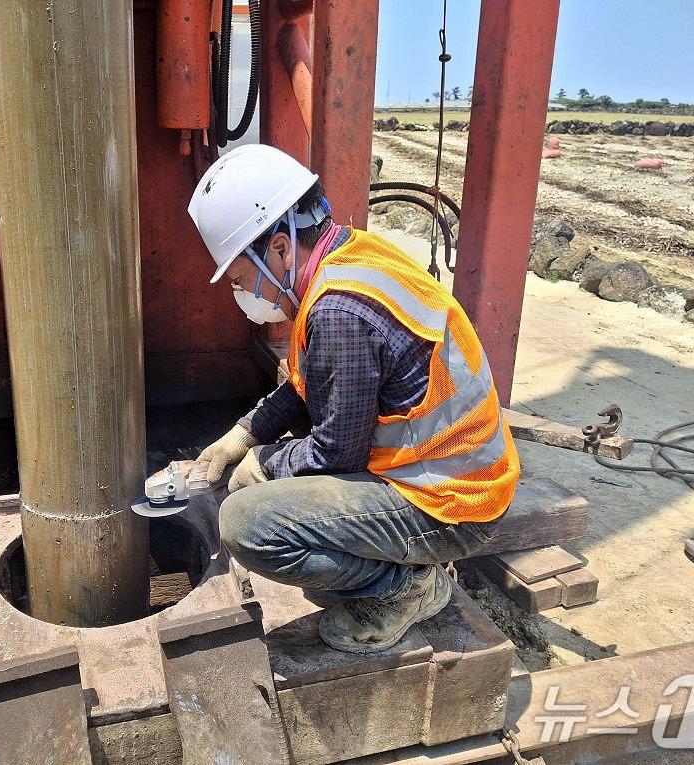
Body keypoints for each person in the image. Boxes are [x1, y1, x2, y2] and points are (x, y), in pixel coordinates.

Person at [187, 144, 520, 654]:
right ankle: (401, 574)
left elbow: (334, 454)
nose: (239, 293)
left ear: (278, 248)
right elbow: (307, 387)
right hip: (445, 479)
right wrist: (242, 435)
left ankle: (403, 590)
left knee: (249, 524)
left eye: (238, 278)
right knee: (281, 511)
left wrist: (262, 465)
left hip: (450, 503)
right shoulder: (346, 258)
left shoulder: (338, 312)